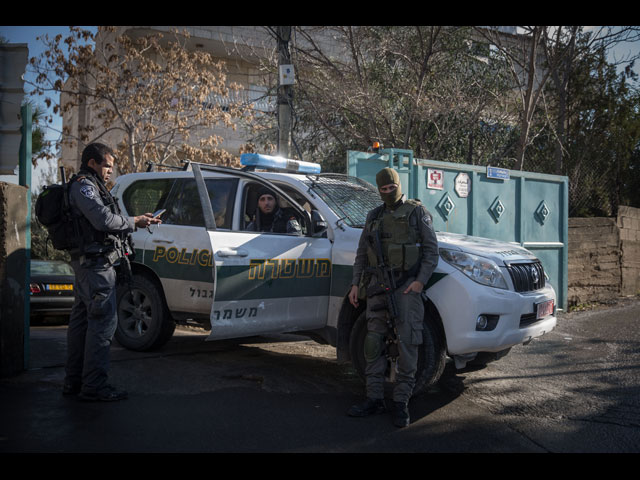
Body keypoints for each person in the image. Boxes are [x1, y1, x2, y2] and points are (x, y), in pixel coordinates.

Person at [63, 143, 161, 402]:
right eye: (106, 165)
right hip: (95, 266)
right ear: (92, 163)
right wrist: (134, 222)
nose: (109, 170)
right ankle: (94, 386)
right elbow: (103, 220)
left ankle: (74, 382)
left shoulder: (91, 185)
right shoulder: (84, 186)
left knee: (82, 322)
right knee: (103, 324)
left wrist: (137, 220)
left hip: (92, 265)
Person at [347, 167, 439, 427]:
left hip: (406, 288)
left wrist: (419, 282)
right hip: (377, 288)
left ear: (399, 186)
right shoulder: (373, 216)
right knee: (373, 344)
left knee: (408, 344)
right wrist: (356, 284)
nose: (388, 193)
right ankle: (374, 399)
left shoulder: (417, 212)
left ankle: (401, 403)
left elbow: (432, 252)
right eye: (383, 189)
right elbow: (362, 254)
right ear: (378, 190)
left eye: (391, 188)